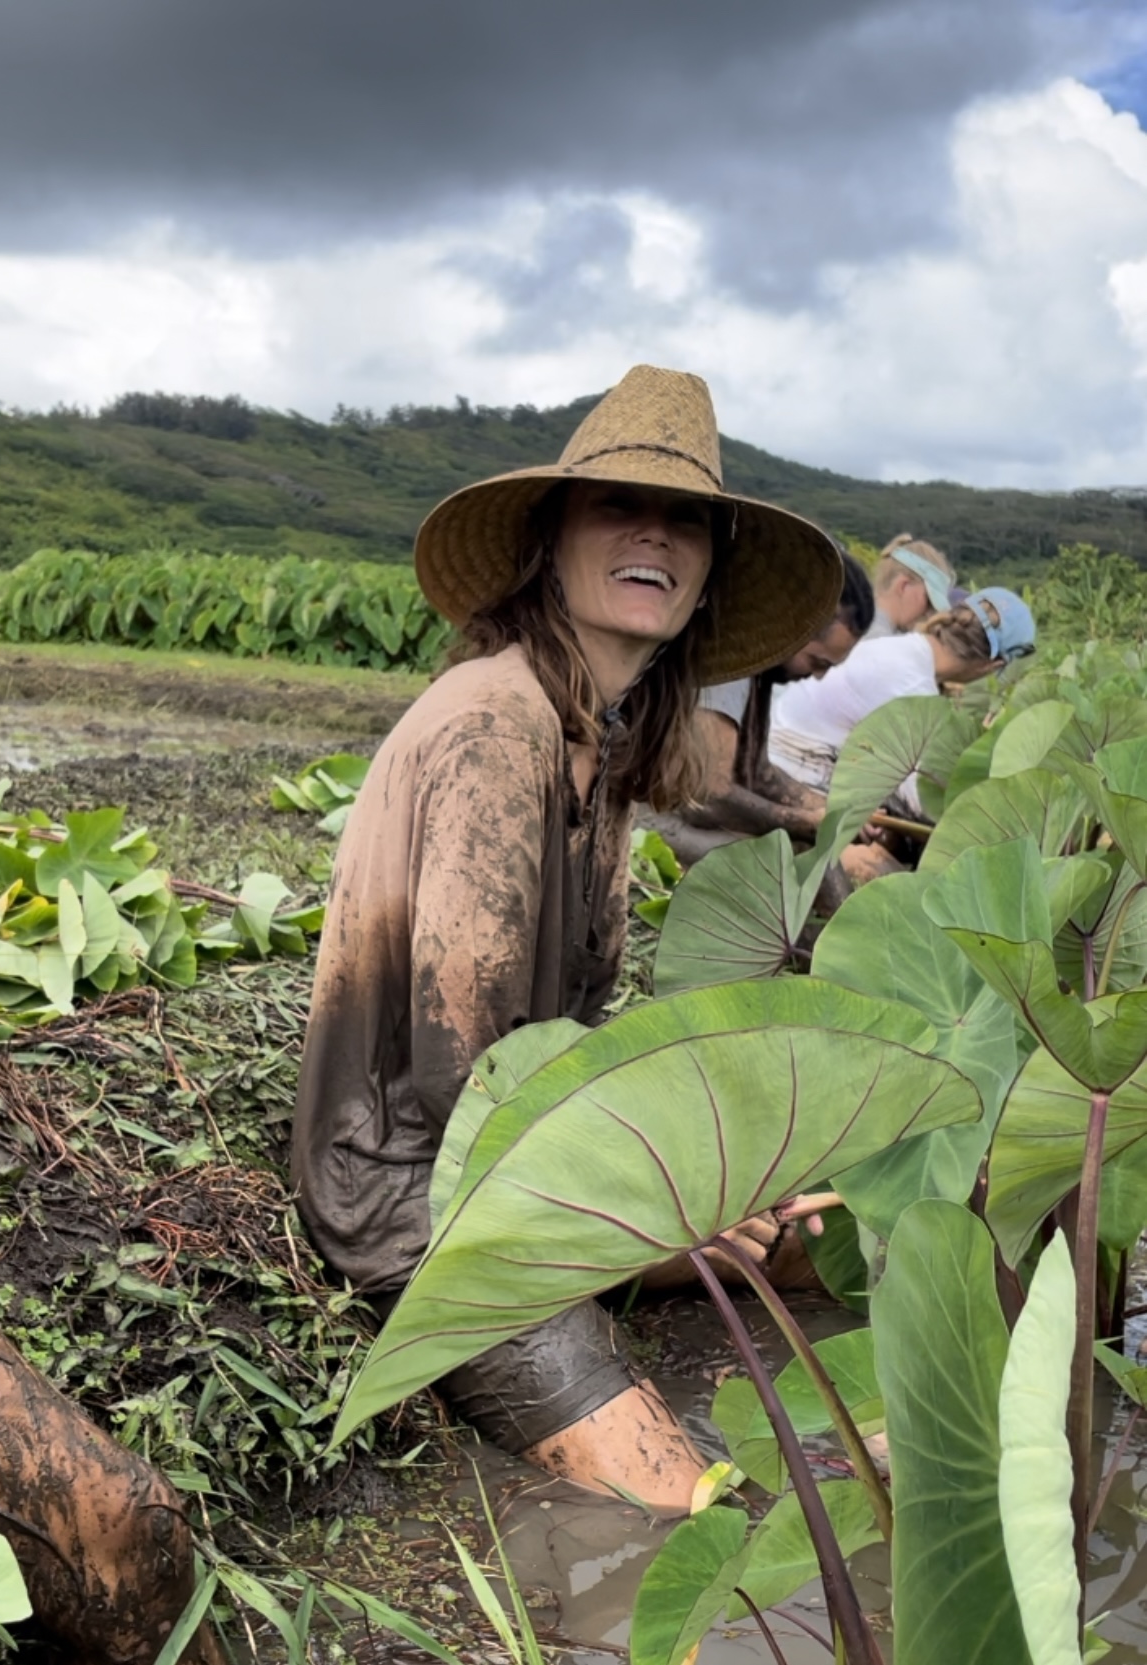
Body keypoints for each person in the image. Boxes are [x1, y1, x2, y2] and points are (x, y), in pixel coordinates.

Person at [291, 365, 842, 1511]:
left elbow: (565, 1041)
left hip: (530, 1164)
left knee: (821, 1232)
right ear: (550, 539)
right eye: (616, 506)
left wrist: (705, 1187)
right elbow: (466, 1080)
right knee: (685, 1507)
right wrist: (658, 1223)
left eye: (686, 516)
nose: (655, 533)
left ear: (707, 575)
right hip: (419, 1191)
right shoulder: (499, 723)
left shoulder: (599, 736)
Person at [642, 548, 874, 866]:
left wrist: (839, 810)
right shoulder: (730, 653)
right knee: (799, 866)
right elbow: (707, 796)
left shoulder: (760, 671)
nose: (818, 677)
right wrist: (806, 824)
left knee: (819, 856)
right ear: (796, 625)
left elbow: (760, 775)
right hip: (651, 824)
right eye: (818, 662)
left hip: (683, 820)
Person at [767, 586, 1036, 810]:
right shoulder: (913, 686)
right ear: (991, 666)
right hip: (785, 781)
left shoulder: (903, 651)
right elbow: (923, 802)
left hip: (787, 764)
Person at [863, 533, 957, 640]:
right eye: (928, 600)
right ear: (904, 586)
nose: (929, 613)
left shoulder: (857, 623)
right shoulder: (880, 641)